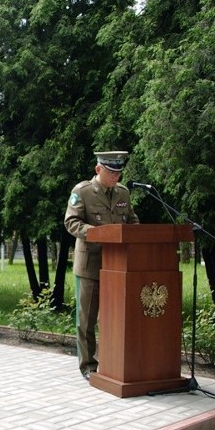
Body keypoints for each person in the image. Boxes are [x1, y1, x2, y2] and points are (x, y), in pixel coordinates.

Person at [64, 150, 139, 379]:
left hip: (118, 267)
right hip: (90, 265)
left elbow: (133, 221)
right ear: (98, 169)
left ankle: (112, 362)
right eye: (111, 171)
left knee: (113, 318)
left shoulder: (123, 193)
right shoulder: (83, 192)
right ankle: (88, 366)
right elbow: (71, 222)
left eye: (119, 172)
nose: (116, 176)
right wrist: (99, 234)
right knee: (86, 319)